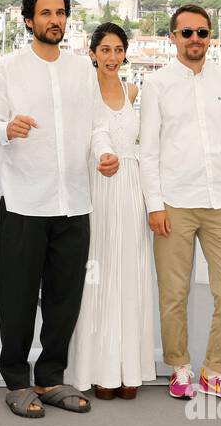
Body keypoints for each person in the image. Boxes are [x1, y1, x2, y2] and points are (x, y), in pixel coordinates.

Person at [0, 0, 118, 418]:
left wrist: (104, 154)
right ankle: (17, 381)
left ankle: (52, 377)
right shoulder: (6, 69)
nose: (54, 20)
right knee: (18, 299)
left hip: (75, 203)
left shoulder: (82, 70)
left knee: (65, 298)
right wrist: (6, 129)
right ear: (28, 21)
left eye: (60, 13)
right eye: (45, 13)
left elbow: (98, 126)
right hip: (23, 203)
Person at [140, 3, 221, 404]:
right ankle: (180, 367)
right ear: (173, 37)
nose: (194, 39)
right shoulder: (157, 85)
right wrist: (154, 203)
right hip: (174, 203)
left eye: (202, 32)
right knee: (174, 292)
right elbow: (147, 149)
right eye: (186, 32)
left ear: (210, 37)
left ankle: (215, 372)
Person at [67, 23, 156, 400]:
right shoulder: (82, 93)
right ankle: (98, 369)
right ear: (92, 53)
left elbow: (149, 145)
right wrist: (104, 154)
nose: (112, 57)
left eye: (118, 49)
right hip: (98, 188)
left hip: (131, 189)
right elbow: (93, 134)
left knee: (129, 274)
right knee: (97, 275)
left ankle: (128, 370)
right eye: (105, 49)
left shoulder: (134, 90)